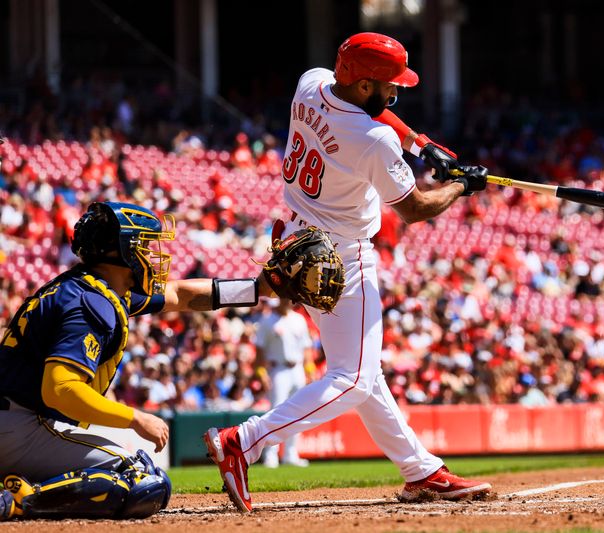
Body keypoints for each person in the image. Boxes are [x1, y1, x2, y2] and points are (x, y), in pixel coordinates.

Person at [203, 31, 491, 512]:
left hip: (295, 239)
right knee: (354, 376)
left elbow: (374, 115)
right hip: (340, 254)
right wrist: (462, 187)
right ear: (363, 85)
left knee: (364, 370)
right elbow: (416, 208)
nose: (396, 92)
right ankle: (245, 441)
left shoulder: (312, 82)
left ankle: (421, 472)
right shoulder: (373, 139)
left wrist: (421, 144)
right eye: (389, 84)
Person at [0, 201, 273, 521]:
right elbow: (59, 388)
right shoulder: (92, 302)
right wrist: (135, 419)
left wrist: (258, 289)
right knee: (144, 480)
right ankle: (19, 501)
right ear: (121, 250)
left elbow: (181, 295)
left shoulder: (90, 288)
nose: (150, 254)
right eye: (142, 244)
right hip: (18, 425)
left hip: (15, 420)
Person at [255, 298, 313, 468]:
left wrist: (309, 371)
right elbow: (259, 349)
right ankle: (271, 455)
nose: (287, 301)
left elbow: (306, 348)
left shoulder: (299, 319)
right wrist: (261, 372)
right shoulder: (267, 321)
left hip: (297, 368)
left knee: (297, 412)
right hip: (278, 369)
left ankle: (290, 453)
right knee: (275, 411)